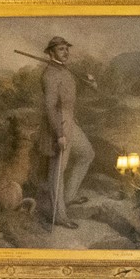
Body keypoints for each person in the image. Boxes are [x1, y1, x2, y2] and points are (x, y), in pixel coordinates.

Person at [38, 36, 94, 228]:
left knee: (87, 153)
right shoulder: (50, 75)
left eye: (66, 49)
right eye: (61, 49)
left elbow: (71, 97)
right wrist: (59, 134)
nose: (65, 52)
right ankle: (59, 216)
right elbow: (50, 107)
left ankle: (68, 197)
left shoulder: (64, 70)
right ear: (51, 52)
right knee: (58, 170)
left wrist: (88, 83)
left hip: (70, 120)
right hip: (58, 123)